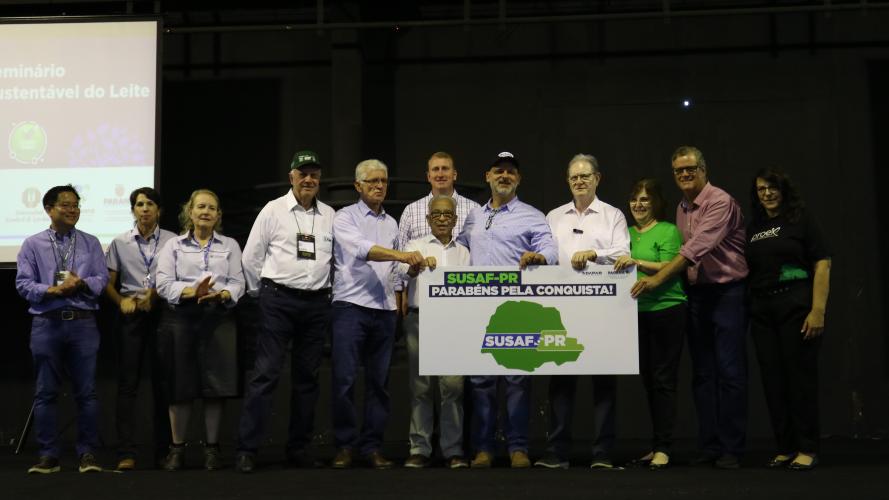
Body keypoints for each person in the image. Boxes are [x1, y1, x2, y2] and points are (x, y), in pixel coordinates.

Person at [631, 146, 749, 469]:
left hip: (727, 292)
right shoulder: (684, 207)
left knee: (729, 372)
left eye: (690, 169)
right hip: (697, 294)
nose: (684, 175)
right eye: (679, 171)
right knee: (703, 374)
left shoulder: (720, 202)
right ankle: (710, 445)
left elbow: (692, 251)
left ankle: (732, 448)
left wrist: (656, 281)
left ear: (703, 169)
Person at [235, 151, 335, 473]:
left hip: (317, 303)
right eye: (302, 174)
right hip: (277, 301)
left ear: (319, 179)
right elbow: (251, 257)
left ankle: (299, 448)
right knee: (265, 376)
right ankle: (248, 449)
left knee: (308, 380)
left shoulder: (330, 215)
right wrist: (258, 295)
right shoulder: (273, 210)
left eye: (314, 174)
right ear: (291, 177)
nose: (308, 180)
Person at [457, 151, 558, 468]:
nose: (504, 175)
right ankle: (484, 449)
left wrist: (542, 258)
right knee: (481, 382)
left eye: (510, 172)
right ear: (487, 176)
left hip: (517, 308)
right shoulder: (474, 216)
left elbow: (550, 248)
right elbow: (458, 250)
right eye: (498, 171)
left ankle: (518, 448)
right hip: (478, 310)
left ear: (519, 179)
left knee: (516, 381)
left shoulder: (532, 215)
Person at [330, 159, 426, 469]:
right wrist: (401, 255)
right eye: (372, 181)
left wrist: (409, 268)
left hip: (384, 309)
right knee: (344, 380)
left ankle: (371, 446)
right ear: (358, 186)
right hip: (350, 307)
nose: (379, 186)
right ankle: (344, 446)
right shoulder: (344, 218)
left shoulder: (392, 223)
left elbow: (396, 268)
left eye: (383, 181)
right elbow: (363, 249)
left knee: (379, 384)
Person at [535, 154, 629, 470]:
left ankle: (602, 453)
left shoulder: (612, 215)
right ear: (568, 180)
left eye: (585, 176)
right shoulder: (553, 216)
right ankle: (556, 453)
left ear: (597, 179)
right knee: (560, 384)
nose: (579, 181)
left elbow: (623, 253)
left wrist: (594, 254)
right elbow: (547, 254)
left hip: (603, 312)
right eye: (574, 177)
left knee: (604, 384)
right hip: (562, 311)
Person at [15, 184, 109, 474]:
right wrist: (53, 290)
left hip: (83, 324)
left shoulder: (91, 242)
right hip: (47, 324)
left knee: (88, 393)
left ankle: (88, 454)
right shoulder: (33, 244)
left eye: (76, 205)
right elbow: (23, 284)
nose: (72, 210)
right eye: (66, 205)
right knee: (45, 394)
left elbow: (101, 280)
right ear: (48, 209)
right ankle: (48, 456)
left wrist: (81, 283)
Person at [746, 168, 830, 471]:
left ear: (783, 190)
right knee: (773, 381)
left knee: (800, 380)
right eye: (760, 189)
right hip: (762, 310)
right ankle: (785, 447)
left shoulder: (800, 219)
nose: (766, 194)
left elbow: (822, 262)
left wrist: (817, 309)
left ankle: (807, 448)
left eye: (772, 188)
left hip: (796, 306)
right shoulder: (754, 226)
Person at [155, 189, 245, 471]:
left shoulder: (229, 244)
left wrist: (223, 295)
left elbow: (238, 282)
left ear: (218, 215)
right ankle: (177, 449)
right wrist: (192, 290)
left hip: (218, 318)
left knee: (215, 388)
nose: (206, 211)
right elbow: (163, 283)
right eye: (201, 207)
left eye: (212, 208)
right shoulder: (173, 246)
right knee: (180, 387)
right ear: (190, 212)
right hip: (181, 318)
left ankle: (212, 450)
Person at [613, 179, 687, 470]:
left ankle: (664, 448)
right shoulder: (625, 233)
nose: (639, 205)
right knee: (649, 382)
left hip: (667, 309)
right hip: (635, 313)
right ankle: (656, 445)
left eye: (645, 199)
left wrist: (636, 262)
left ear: (656, 202)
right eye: (634, 199)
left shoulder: (668, 230)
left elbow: (672, 265)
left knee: (664, 381)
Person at [104, 187, 176, 471]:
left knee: (163, 385)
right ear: (133, 210)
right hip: (131, 314)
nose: (144, 209)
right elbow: (108, 282)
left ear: (159, 210)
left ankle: (164, 451)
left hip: (162, 313)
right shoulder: (120, 242)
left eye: (150, 204)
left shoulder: (172, 241)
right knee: (128, 385)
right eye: (139, 204)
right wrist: (121, 300)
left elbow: (178, 276)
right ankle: (126, 452)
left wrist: (154, 295)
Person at [400, 195, 471, 469]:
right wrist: (413, 266)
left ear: (455, 219)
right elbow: (399, 274)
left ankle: (453, 450)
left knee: (453, 388)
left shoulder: (465, 252)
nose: (443, 218)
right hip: (420, 320)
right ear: (428, 219)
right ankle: (419, 449)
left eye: (448, 215)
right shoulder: (414, 246)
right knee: (421, 388)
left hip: (453, 325)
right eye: (437, 214)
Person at [397, 151, 480, 314]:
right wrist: (401, 292)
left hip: (460, 304)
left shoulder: (475, 210)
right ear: (428, 176)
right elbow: (400, 256)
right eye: (435, 170)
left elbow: (478, 251)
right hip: (420, 300)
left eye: (445, 169)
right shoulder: (411, 210)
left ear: (454, 174)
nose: (440, 174)